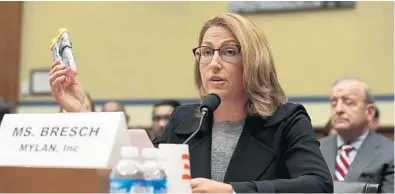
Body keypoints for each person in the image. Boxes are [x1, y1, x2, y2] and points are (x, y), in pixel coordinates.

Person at [49, 13, 333, 193]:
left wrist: (233, 192)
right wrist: (82, 114)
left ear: (253, 61)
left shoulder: (286, 120)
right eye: (206, 52)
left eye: (229, 52)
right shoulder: (185, 120)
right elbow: (139, 174)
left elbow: (318, 185)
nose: (214, 63)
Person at [320, 77, 394, 193]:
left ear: (369, 112)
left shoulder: (390, 153)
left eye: (348, 102)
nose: (338, 109)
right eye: (334, 103)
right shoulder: (315, 149)